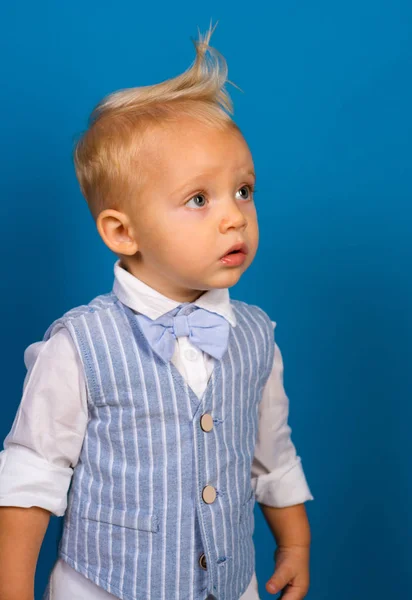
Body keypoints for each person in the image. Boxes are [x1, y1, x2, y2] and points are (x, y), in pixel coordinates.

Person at [0, 25, 313, 600]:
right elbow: (30, 478)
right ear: (122, 231)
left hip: (229, 583)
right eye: (200, 199)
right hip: (104, 588)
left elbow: (271, 450)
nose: (234, 217)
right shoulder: (79, 345)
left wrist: (294, 544)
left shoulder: (255, 337)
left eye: (243, 190)